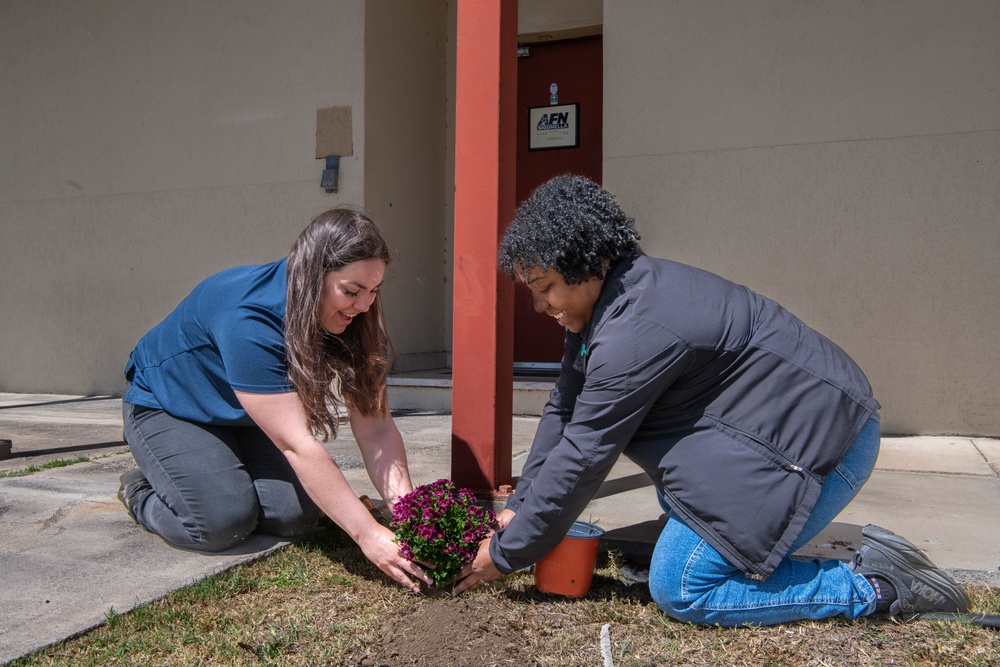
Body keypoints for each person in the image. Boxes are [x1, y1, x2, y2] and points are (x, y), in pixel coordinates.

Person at [454, 174, 970, 626]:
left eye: (543, 287)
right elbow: (564, 410)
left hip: (825, 444)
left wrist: (504, 555)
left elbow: (586, 451)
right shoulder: (607, 307)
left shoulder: (636, 331)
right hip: (778, 434)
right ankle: (833, 545)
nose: (539, 305)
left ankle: (874, 584)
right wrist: (520, 508)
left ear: (591, 263)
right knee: (683, 517)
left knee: (683, 585)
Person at [118, 208, 431, 592]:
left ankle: (213, 470)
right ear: (312, 275)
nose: (364, 306)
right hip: (169, 406)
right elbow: (296, 444)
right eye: (351, 291)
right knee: (220, 523)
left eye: (373, 291)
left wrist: (410, 515)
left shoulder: (355, 315)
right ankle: (141, 489)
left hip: (243, 415)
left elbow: (376, 425)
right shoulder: (248, 318)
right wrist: (368, 534)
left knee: (294, 516)